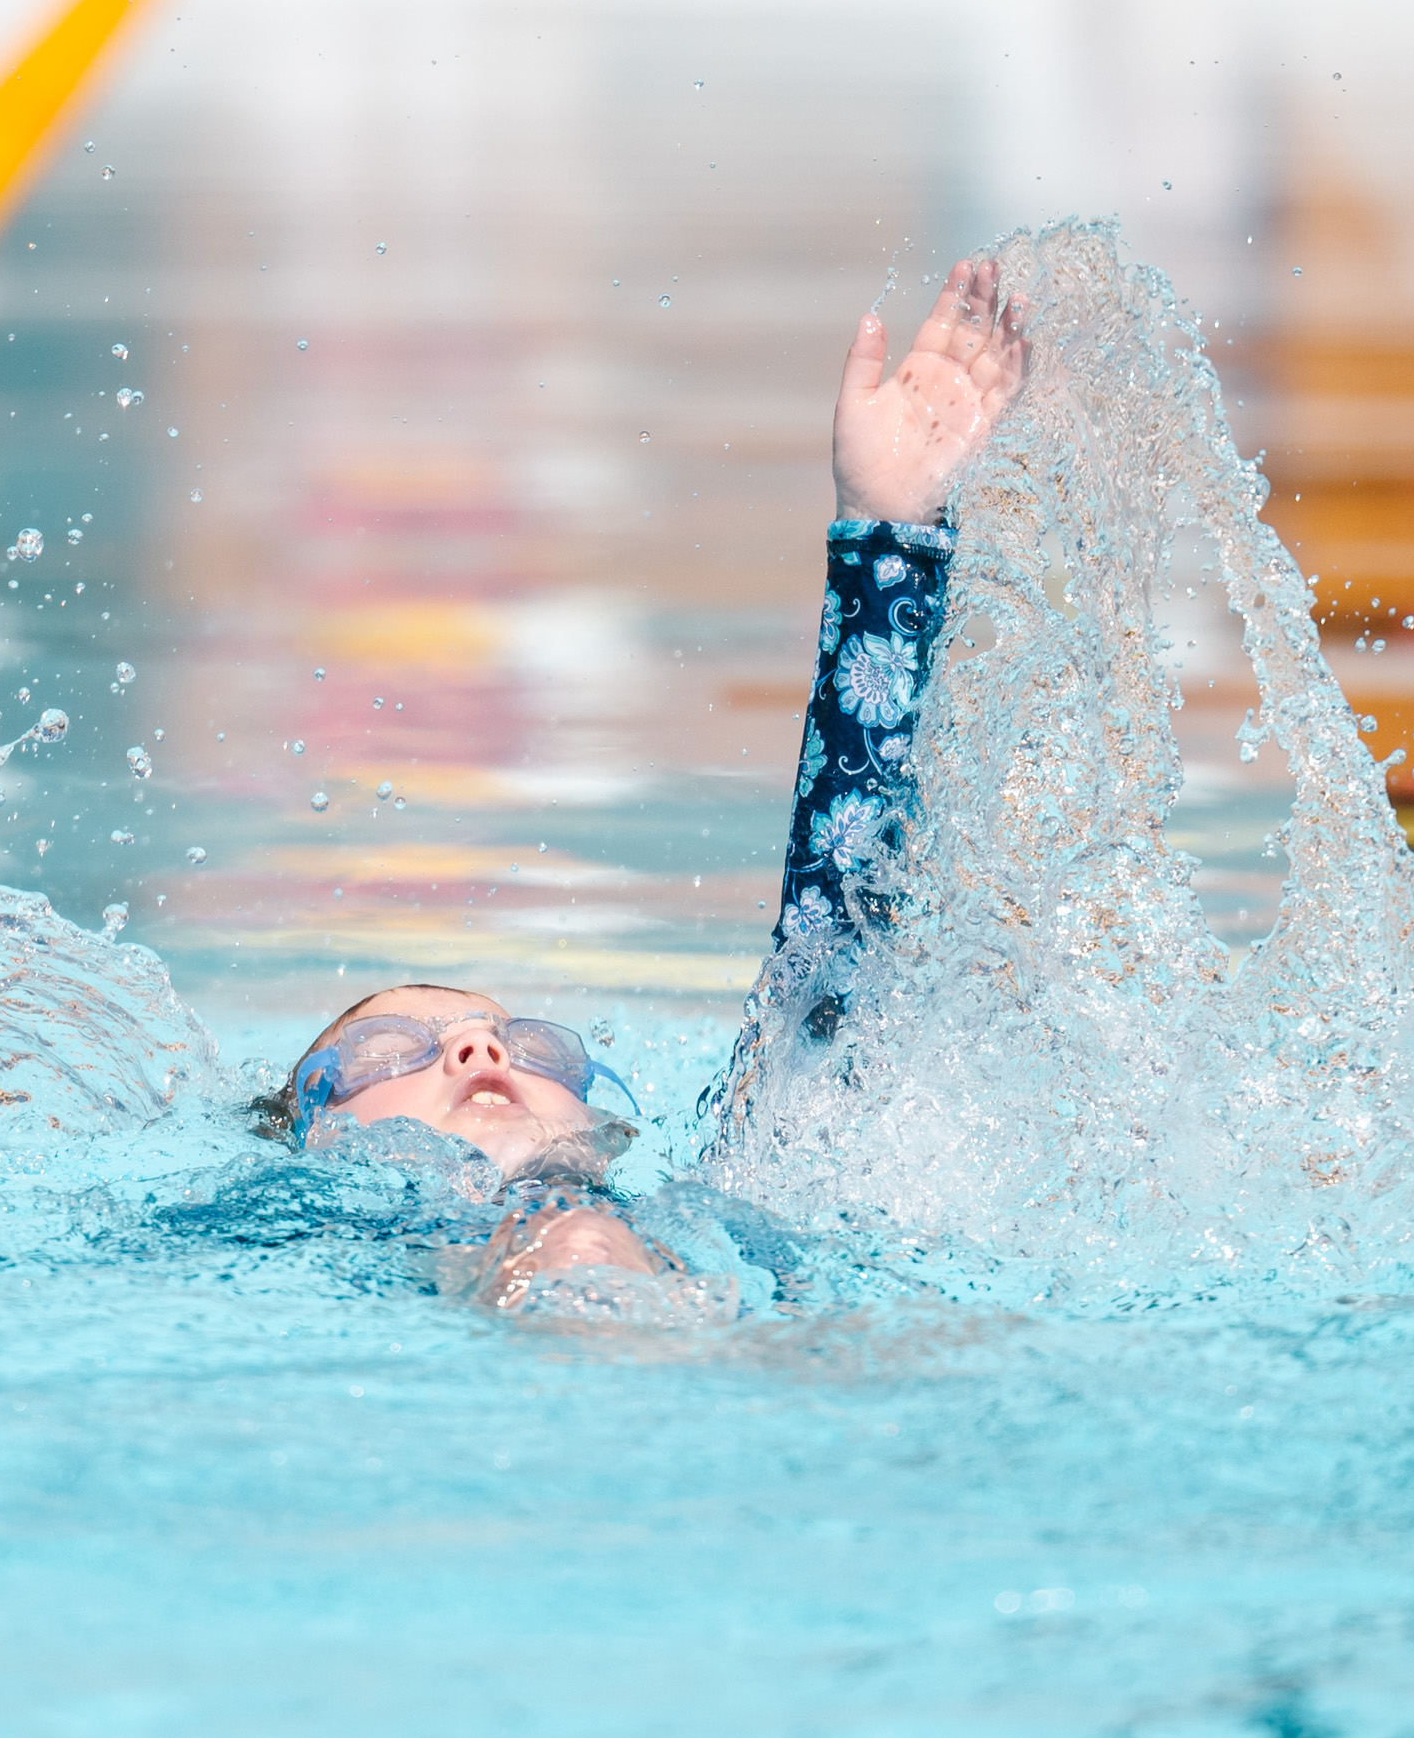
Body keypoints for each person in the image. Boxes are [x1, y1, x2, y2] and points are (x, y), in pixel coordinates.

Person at [272, 256, 1028, 1317]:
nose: (479, 1047)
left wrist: (887, 536)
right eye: (390, 1052)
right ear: (312, 1137)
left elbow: (831, 943)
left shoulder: (734, 1189)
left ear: (599, 1125)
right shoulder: (285, 1245)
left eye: (532, 1046)